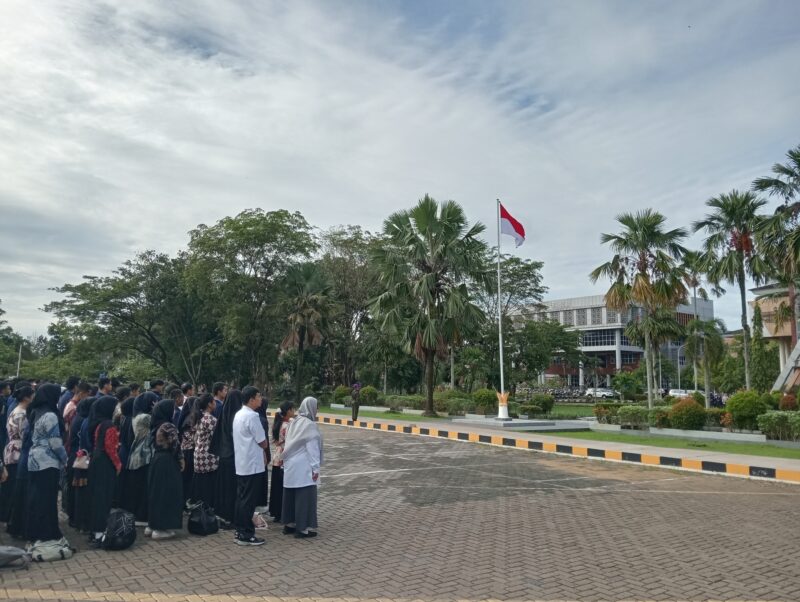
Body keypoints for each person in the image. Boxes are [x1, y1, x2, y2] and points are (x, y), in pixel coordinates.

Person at [26, 384, 68, 545]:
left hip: (34, 459)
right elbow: (56, 443)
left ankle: (35, 530)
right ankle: (47, 532)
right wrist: (65, 460)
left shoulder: (35, 411)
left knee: (37, 498)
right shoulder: (50, 415)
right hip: (47, 461)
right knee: (47, 499)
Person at [231, 386, 268, 546]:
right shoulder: (252, 416)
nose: (261, 399)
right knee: (248, 501)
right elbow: (262, 441)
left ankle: (240, 531)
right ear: (251, 399)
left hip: (242, 463)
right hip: (252, 464)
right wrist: (265, 449)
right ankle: (246, 534)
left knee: (242, 499)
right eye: (259, 396)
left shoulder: (238, 414)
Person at [282, 396, 322, 539]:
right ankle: (302, 528)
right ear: (311, 408)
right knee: (305, 496)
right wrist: (315, 468)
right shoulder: (309, 425)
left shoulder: (293, 422)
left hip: (290, 463)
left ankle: (290, 524)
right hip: (304, 465)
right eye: (316, 407)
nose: (317, 410)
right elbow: (313, 450)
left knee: (290, 495)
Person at [87, 395, 122, 545]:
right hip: (105, 464)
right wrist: (118, 464)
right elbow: (111, 449)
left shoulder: (100, 424)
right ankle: (100, 532)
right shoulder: (110, 426)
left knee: (97, 497)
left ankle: (95, 530)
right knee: (104, 497)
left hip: (96, 460)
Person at [0, 385, 32, 524]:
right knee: (13, 486)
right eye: (33, 394)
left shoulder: (15, 410)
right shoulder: (22, 414)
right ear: (26, 397)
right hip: (17, 450)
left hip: (11, 449)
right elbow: (24, 435)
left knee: (9, 485)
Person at [210, 389, 242, 528]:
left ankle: (222, 515)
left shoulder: (223, 412)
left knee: (222, 488)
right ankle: (231, 517)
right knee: (232, 489)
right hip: (233, 457)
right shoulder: (237, 416)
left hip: (223, 456)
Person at [146, 422, 184, 540]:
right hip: (168, 463)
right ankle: (161, 528)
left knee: (155, 493)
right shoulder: (169, 427)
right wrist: (181, 459)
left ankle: (152, 525)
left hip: (157, 460)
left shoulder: (158, 427)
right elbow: (175, 444)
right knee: (167, 494)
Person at [125, 392, 158, 524]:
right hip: (144, 455)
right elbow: (159, 418)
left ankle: (139, 514)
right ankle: (142, 515)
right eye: (154, 401)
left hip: (138, 454)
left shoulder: (137, 416)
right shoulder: (144, 417)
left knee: (139, 487)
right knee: (144, 487)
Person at [68, 396, 95, 531]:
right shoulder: (85, 421)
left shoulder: (78, 417)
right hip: (83, 458)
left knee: (77, 491)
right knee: (83, 491)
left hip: (76, 456)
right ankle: (82, 522)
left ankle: (75, 519)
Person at [268, 401, 295, 523]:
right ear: (288, 411)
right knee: (284, 487)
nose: (294, 411)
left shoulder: (277, 424)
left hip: (277, 457)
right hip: (285, 457)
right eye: (292, 409)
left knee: (276, 487)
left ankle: (276, 512)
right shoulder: (288, 425)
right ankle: (284, 512)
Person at [190, 394, 218, 509]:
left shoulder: (199, 416)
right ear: (209, 404)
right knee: (208, 484)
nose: (215, 403)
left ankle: (200, 507)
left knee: (201, 483)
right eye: (214, 401)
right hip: (208, 455)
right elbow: (217, 437)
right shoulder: (210, 419)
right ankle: (207, 508)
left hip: (199, 453)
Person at [177, 396, 197, 505]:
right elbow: (193, 438)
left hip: (185, 450)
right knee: (189, 478)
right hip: (190, 451)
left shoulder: (184, 417)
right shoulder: (191, 419)